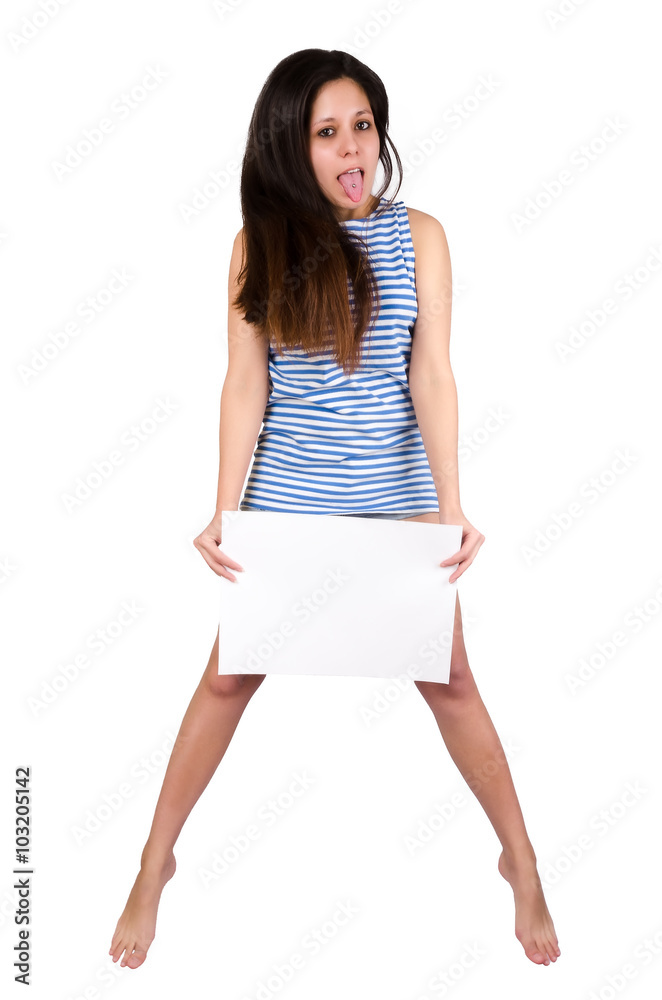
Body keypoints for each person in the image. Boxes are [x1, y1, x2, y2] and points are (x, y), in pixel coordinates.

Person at [109, 48, 561, 971]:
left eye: (362, 126)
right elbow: (246, 385)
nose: (352, 147)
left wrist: (452, 505)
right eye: (327, 132)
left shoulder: (420, 235)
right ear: (291, 148)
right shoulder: (257, 245)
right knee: (229, 682)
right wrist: (221, 508)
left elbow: (431, 373)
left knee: (453, 684)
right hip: (288, 510)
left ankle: (520, 859)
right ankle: (155, 863)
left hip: (393, 511)